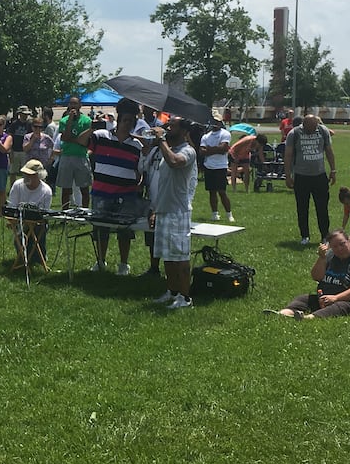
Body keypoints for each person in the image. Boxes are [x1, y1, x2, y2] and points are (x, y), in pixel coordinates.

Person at [77, 97, 145, 275]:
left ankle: (124, 264)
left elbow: (141, 170)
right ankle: (100, 261)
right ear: (119, 118)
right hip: (102, 192)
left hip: (126, 194)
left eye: (132, 121)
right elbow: (81, 141)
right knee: (100, 228)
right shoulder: (101, 137)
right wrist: (92, 127)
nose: (128, 124)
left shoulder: (136, 145)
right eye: (125, 120)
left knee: (125, 230)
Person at [148, 118, 199, 310]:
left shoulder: (188, 151)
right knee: (167, 256)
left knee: (180, 257)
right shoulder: (168, 149)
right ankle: (173, 292)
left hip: (178, 211)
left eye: (173, 126)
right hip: (164, 209)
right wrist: (155, 210)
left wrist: (161, 140)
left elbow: (174, 162)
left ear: (184, 131)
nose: (168, 128)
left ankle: (186, 298)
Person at [274, 230, 350, 319]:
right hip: (327, 298)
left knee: (339, 306)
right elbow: (316, 276)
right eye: (334, 246)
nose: (339, 249)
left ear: (349, 240)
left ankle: (308, 318)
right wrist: (321, 258)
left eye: (342, 244)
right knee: (303, 298)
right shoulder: (330, 255)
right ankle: (285, 313)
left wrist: (336, 298)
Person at [283, 113, 337, 245]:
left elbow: (329, 151)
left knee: (322, 208)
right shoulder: (294, 133)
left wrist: (333, 170)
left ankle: (325, 236)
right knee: (302, 207)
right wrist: (288, 175)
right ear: (304, 124)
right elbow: (288, 155)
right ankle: (305, 236)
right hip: (301, 176)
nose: (312, 130)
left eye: (315, 127)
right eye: (309, 127)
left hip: (319, 176)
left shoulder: (323, 131)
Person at [5, 158, 53, 267]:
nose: (26, 176)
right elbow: (12, 205)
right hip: (19, 222)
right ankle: (24, 257)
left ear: (39, 176)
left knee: (38, 232)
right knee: (20, 239)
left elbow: (45, 213)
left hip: (38, 223)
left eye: (30, 174)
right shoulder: (17, 185)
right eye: (25, 174)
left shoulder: (46, 191)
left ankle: (38, 258)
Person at [56, 96, 94, 210]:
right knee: (66, 189)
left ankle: (85, 212)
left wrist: (75, 140)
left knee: (84, 189)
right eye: (71, 104)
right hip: (67, 157)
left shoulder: (87, 121)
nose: (73, 106)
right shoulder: (63, 121)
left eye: (75, 104)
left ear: (80, 105)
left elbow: (85, 141)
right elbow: (65, 137)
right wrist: (70, 121)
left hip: (81, 156)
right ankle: (65, 213)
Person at [200, 118, 235, 222]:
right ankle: (214, 213)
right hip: (209, 166)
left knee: (222, 191)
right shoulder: (206, 136)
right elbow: (202, 151)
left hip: (221, 166)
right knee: (212, 192)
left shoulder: (225, 134)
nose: (216, 124)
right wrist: (216, 149)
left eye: (218, 122)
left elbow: (224, 148)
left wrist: (209, 149)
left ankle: (229, 214)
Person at [7, 106, 33, 175]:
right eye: (24, 114)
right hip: (15, 150)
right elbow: (10, 137)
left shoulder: (30, 124)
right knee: (13, 172)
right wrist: (10, 151)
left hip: (25, 151)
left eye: (26, 114)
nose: (25, 116)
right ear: (20, 114)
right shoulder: (14, 124)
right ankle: (12, 185)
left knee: (26, 172)